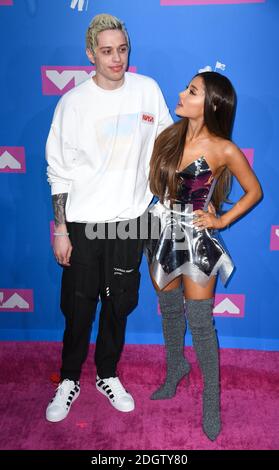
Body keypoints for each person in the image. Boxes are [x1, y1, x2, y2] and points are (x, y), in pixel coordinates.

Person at [45, 13, 172, 422]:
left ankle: (107, 374)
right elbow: (59, 171)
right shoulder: (74, 103)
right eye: (106, 52)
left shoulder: (147, 91)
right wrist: (61, 228)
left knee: (119, 304)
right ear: (90, 54)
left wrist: (162, 204)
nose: (116, 59)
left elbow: (165, 150)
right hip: (82, 226)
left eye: (122, 50)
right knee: (78, 307)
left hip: (130, 224)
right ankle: (68, 379)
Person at [145, 71, 262, 440]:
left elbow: (253, 191)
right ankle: (175, 366)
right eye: (186, 86)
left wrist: (221, 219)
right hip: (161, 235)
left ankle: (211, 399)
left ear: (210, 104)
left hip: (196, 241)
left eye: (191, 91)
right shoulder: (168, 136)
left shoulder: (224, 148)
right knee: (169, 311)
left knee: (200, 324)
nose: (181, 93)